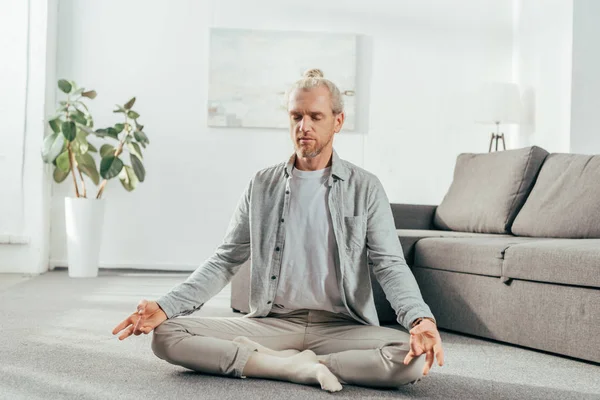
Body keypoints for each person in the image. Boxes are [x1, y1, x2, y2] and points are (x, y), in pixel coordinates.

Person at [112, 68, 444, 393]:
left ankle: (295, 363)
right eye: (296, 116)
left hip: (341, 326)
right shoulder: (261, 185)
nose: (304, 126)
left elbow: (389, 264)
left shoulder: (366, 187)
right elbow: (226, 259)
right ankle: (292, 367)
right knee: (168, 335)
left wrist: (420, 320)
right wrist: (167, 305)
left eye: (315, 116)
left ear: (337, 121)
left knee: (411, 356)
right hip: (273, 323)